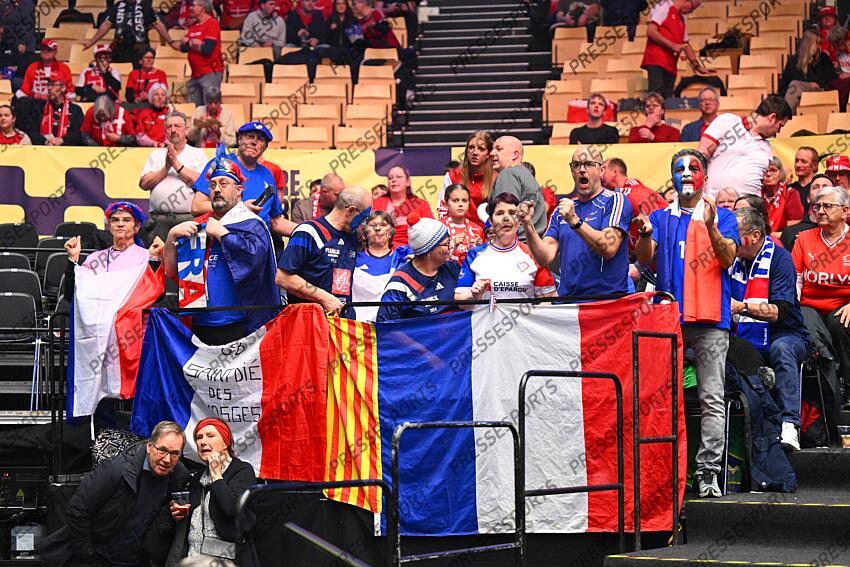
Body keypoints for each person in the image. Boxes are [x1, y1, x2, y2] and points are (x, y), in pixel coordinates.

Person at [634, 149, 740, 498]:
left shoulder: (723, 216)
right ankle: (665, 471)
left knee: (711, 399)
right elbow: (645, 260)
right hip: (669, 320)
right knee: (663, 398)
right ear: (672, 177)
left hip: (712, 321)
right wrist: (645, 235)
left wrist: (710, 226)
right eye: (679, 169)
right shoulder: (660, 217)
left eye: (693, 168)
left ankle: (708, 472)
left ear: (704, 177)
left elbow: (727, 258)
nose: (686, 174)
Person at [38, 421, 189, 567]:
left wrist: (172, 513)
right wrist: (88, 558)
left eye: (174, 453)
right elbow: (78, 510)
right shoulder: (115, 469)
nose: (167, 459)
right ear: (149, 446)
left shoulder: (177, 475)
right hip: (100, 557)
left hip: (138, 559)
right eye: (162, 450)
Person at [165, 153, 280, 343]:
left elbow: (254, 260)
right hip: (198, 325)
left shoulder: (251, 224)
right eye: (212, 185)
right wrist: (171, 237)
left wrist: (223, 235)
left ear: (239, 190)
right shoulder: (199, 226)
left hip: (239, 327)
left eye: (224, 184)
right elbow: (172, 272)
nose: (217, 189)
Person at [730, 206, 810, 451]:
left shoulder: (780, 259)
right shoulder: (730, 258)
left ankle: (789, 424)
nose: (729, 240)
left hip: (786, 333)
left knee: (781, 349)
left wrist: (742, 307)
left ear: (755, 235)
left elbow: (779, 311)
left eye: (735, 234)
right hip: (742, 333)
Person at [521, 145, 632, 298]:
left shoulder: (615, 200)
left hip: (606, 302)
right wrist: (528, 224)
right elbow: (544, 257)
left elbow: (608, 248)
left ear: (601, 170)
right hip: (570, 302)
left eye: (589, 164)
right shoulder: (562, 210)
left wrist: (574, 220)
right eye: (576, 165)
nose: (582, 170)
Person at [165, 418, 257, 566]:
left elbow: (233, 509)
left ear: (225, 443)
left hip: (225, 561)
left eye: (210, 436)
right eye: (199, 437)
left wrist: (216, 476)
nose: (202, 442)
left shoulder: (242, 471)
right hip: (193, 560)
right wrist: (179, 513)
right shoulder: (197, 478)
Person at [791, 186, 850, 399]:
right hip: (810, 304)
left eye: (828, 206)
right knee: (808, 324)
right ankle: (831, 384)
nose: (821, 211)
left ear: (845, 211)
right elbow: (796, 279)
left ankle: (847, 386)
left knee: (839, 324)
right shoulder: (804, 238)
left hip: (843, 305)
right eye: (818, 207)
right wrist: (793, 301)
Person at [277, 186, 372, 316]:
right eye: (363, 218)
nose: (363, 224)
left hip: (341, 318)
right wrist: (324, 297)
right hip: (309, 319)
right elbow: (282, 277)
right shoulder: (308, 232)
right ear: (350, 211)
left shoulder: (352, 236)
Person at [193, 121, 289, 236]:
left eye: (260, 139)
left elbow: (275, 221)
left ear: (264, 147)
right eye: (250, 137)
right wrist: (240, 209)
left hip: (259, 241)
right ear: (239, 140)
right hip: (225, 238)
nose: (254, 142)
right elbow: (197, 207)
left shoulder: (267, 174)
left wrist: (303, 228)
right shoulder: (219, 163)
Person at [455, 192, 556, 302]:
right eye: (500, 213)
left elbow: (547, 300)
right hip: (484, 314)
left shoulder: (534, 255)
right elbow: (460, 300)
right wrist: (473, 295)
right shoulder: (474, 254)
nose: (506, 218)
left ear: (519, 220)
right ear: (491, 221)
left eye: (512, 213)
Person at [697, 95, 792, 199]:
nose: (779, 131)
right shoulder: (728, 122)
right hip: (716, 202)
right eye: (780, 125)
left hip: (750, 207)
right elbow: (700, 156)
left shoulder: (767, 148)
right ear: (772, 117)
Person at [140, 111, 208, 244]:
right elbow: (144, 184)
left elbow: (202, 183)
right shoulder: (156, 155)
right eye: (169, 127)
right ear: (165, 131)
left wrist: (176, 165)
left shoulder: (198, 154)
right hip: (159, 220)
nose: (173, 130)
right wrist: (166, 167)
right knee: (157, 255)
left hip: (188, 219)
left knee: (186, 256)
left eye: (177, 126)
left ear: (185, 129)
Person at [376, 213, 459, 322]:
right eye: (446, 244)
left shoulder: (453, 269)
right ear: (428, 252)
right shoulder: (400, 285)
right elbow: (386, 327)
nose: (451, 247)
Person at [640, 0, 711, 99]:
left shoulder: (681, 18)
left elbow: (686, 44)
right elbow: (651, 31)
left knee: (668, 98)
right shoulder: (664, 7)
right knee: (656, 95)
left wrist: (696, 65)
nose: (691, 11)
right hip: (657, 60)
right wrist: (672, 45)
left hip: (671, 64)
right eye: (692, 8)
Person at [601, 157, 667, 257]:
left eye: (603, 170)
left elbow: (658, 232)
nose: (600, 175)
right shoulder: (625, 193)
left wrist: (638, 264)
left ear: (614, 172)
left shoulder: (635, 193)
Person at [351, 210, 410, 321]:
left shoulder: (402, 259)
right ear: (365, 232)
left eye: (383, 225)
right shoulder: (353, 258)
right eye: (372, 225)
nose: (377, 229)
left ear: (391, 232)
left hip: (392, 323)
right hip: (358, 324)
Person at [84, 0, 178, 64]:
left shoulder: (145, 6)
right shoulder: (118, 5)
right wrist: (91, 42)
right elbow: (107, 24)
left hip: (140, 48)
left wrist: (171, 42)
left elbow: (158, 24)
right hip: (120, 47)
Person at [489, 135, 546, 239]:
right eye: (493, 149)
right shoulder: (526, 175)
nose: (492, 153)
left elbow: (505, 218)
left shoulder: (508, 174)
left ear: (515, 154)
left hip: (514, 243)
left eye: (499, 149)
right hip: (533, 243)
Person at [438, 130, 495, 230]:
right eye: (471, 147)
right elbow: (443, 209)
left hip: (486, 233)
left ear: (488, 154)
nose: (475, 152)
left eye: (481, 149)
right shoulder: (452, 176)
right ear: (466, 151)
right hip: (456, 232)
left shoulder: (496, 178)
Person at [177, 0, 224, 107]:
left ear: (202, 8)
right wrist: (193, 43)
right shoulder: (193, 25)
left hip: (210, 73)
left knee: (211, 107)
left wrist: (188, 42)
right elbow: (183, 48)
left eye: (194, 6)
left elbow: (207, 50)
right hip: (195, 74)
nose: (191, 8)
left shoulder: (212, 24)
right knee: (194, 108)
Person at [373, 165, 433, 247]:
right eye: (390, 178)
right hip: (381, 249)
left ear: (407, 182)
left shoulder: (421, 204)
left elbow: (431, 231)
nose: (394, 180)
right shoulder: (377, 203)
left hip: (413, 250)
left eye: (398, 177)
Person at [17, 72, 84, 146]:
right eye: (48, 85)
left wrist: (62, 140)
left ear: (63, 88)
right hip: (43, 149)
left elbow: (78, 134)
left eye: (53, 85)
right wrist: (45, 141)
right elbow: (31, 131)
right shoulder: (39, 107)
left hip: (68, 149)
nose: (49, 88)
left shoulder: (75, 110)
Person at [779, 30, 838, 114]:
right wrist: (808, 84)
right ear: (809, 45)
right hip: (799, 93)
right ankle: (786, 114)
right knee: (795, 85)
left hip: (821, 91)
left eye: (820, 44)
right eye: (817, 44)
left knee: (795, 85)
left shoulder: (823, 58)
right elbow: (786, 83)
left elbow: (832, 79)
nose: (819, 47)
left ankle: (785, 115)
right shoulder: (793, 60)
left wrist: (816, 85)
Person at [781, 173, 831, 251]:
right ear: (808, 198)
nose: (821, 190)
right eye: (816, 187)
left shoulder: (843, 230)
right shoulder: (790, 233)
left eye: (826, 187)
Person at [441, 184, 484, 265]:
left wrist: (480, 247)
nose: (460, 204)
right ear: (445, 204)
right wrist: (451, 247)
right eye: (455, 200)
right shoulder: (439, 228)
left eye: (464, 200)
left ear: (469, 204)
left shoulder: (477, 229)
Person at [762, 157, 804, 238]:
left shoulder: (790, 193)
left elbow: (793, 230)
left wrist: (770, 236)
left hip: (782, 240)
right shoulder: (756, 192)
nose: (768, 174)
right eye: (764, 171)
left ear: (780, 173)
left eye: (773, 170)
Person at [134, 82, 172, 147]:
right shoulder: (144, 113)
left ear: (166, 98)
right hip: (148, 148)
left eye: (163, 95)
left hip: (167, 147)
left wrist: (165, 143)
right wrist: (154, 143)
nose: (160, 97)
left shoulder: (171, 113)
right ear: (151, 97)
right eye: (156, 94)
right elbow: (140, 136)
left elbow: (176, 133)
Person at [789, 146, 820, 211]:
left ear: (814, 166)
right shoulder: (789, 189)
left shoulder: (820, 189)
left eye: (803, 161)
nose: (798, 165)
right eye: (796, 161)